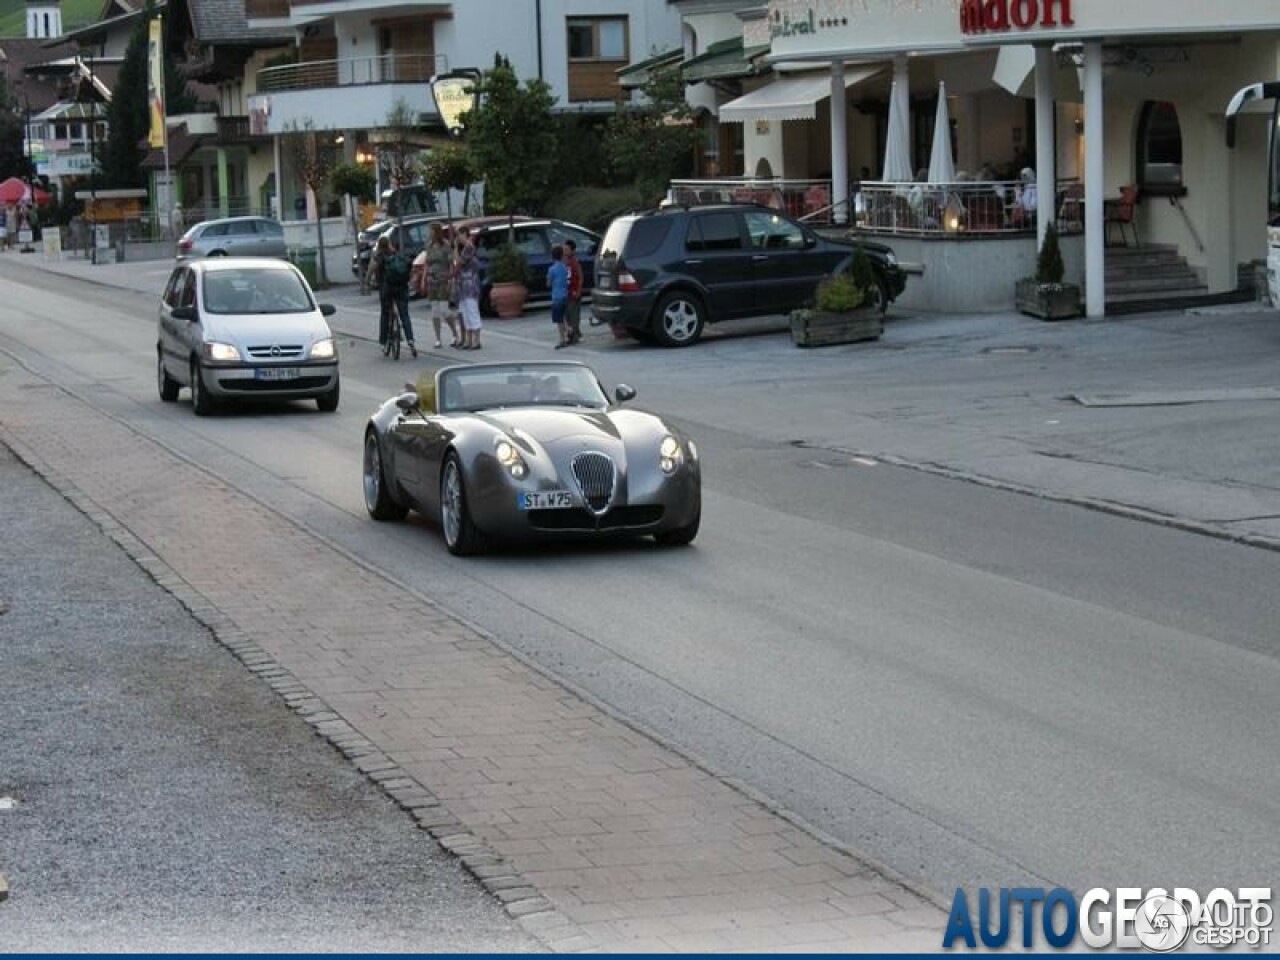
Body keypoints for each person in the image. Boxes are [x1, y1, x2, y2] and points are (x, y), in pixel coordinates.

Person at [416, 222, 459, 349]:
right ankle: (438, 338)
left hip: (443, 280)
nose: (429, 234)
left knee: (444, 310)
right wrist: (423, 279)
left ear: (436, 232)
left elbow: (451, 264)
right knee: (434, 311)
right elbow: (427, 264)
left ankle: (455, 333)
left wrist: (450, 279)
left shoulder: (445, 246)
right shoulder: (428, 246)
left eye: (431, 231)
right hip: (431, 280)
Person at [452, 226, 482, 350]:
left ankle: (476, 340)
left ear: (465, 234)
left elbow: (459, 262)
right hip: (462, 285)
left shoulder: (469, 247)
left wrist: (454, 249)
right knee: (465, 313)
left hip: (470, 284)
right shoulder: (464, 248)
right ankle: (469, 340)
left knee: (472, 311)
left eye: (460, 235)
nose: (458, 238)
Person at [547, 244, 570, 349]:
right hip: (565, 294)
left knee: (558, 319)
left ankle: (562, 338)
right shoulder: (564, 267)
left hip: (556, 296)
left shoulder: (552, 269)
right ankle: (568, 330)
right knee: (563, 316)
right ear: (562, 256)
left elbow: (549, 283)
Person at [563, 237, 583, 345]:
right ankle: (574, 333)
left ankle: (574, 335)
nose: (565, 252)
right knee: (568, 315)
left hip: (574, 292)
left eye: (567, 249)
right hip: (566, 292)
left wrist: (578, 290)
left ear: (573, 250)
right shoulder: (564, 261)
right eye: (564, 249)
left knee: (574, 315)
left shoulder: (575, 262)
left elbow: (580, 277)